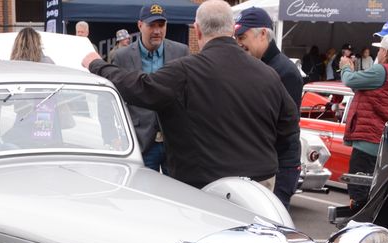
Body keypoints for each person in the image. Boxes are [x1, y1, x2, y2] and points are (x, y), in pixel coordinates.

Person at [83, 0, 298, 190]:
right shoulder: (268, 74)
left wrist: (96, 64)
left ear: (197, 30)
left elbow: (141, 88)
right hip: (259, 185)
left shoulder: (185, 70)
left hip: (206, 186)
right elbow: (288, 126)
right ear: (232, 29)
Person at [100, 4, 189, 174]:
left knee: (176, 195)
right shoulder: (122, 57)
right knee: (145, 195)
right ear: (140, 25)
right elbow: (107, 99)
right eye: (151, 25)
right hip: (141, 141)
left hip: (175, 141)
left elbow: (189, 94)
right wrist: (111, 137)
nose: (157, 31)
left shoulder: (181, 52)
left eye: (161, 25)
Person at [234, 6, 302, 208]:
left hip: (279, 166)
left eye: (242, 37)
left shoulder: (285, 71)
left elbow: (286, 127)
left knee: (271, 227)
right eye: (236, 38)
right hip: (259, 162)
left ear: (262, 34)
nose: (239, 43)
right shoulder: (252, 65)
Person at [338, 33, 388, 211]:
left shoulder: (381, 70)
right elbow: (361, 86)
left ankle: (357, 221)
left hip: (367, 138)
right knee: (371, 189)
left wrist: (346, 67)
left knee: (357, 188)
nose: (379, 53)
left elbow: (349, 80)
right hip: (379, 138)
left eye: (380, 49)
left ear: (386, 51)